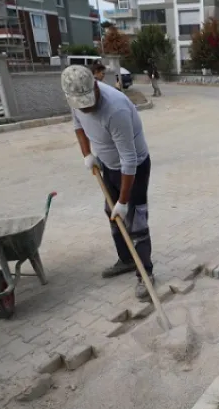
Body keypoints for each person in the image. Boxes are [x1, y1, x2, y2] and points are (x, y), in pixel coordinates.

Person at [61, 65, 155, 299]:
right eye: (80, 104)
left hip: (134, 169)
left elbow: (129, 160)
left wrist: (124, 201)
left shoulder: (116, 109)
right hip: (107, 165)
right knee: (111, 213)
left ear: (95, 84)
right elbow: (78, 126)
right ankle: (126, 260)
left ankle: (146, 273)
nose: (86, 107)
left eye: (88, 101)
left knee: (135, 220)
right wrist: (87, 155)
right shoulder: (76, 97)